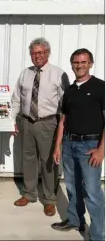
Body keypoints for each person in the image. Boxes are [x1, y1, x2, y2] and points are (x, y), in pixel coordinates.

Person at [11, 37, 70, 216]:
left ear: (48, 53)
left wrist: (63, 125)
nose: (38, 56)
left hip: (48, 123)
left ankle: (49, 199)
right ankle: (29, 194)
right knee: (28, 159)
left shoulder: (59, 73)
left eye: (41, 52)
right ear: (30, 55)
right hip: (27, 121)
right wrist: (12, 120)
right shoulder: (25, 73)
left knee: (48, 161)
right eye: (34, 53)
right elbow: (16, 99)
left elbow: (66, 102)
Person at [51, 48, 105, 241]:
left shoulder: (101, 87)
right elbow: (63, 120)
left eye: (83, 62)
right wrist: (58, 146)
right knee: (72, 187)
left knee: (92, 192)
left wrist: (101, 150)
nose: (79, 65)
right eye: (76, 62)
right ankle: (75, 220)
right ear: (72, 64)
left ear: (90, 63)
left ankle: (98, 235)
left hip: (90, 146)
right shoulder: (70, 91)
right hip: (69, 144)